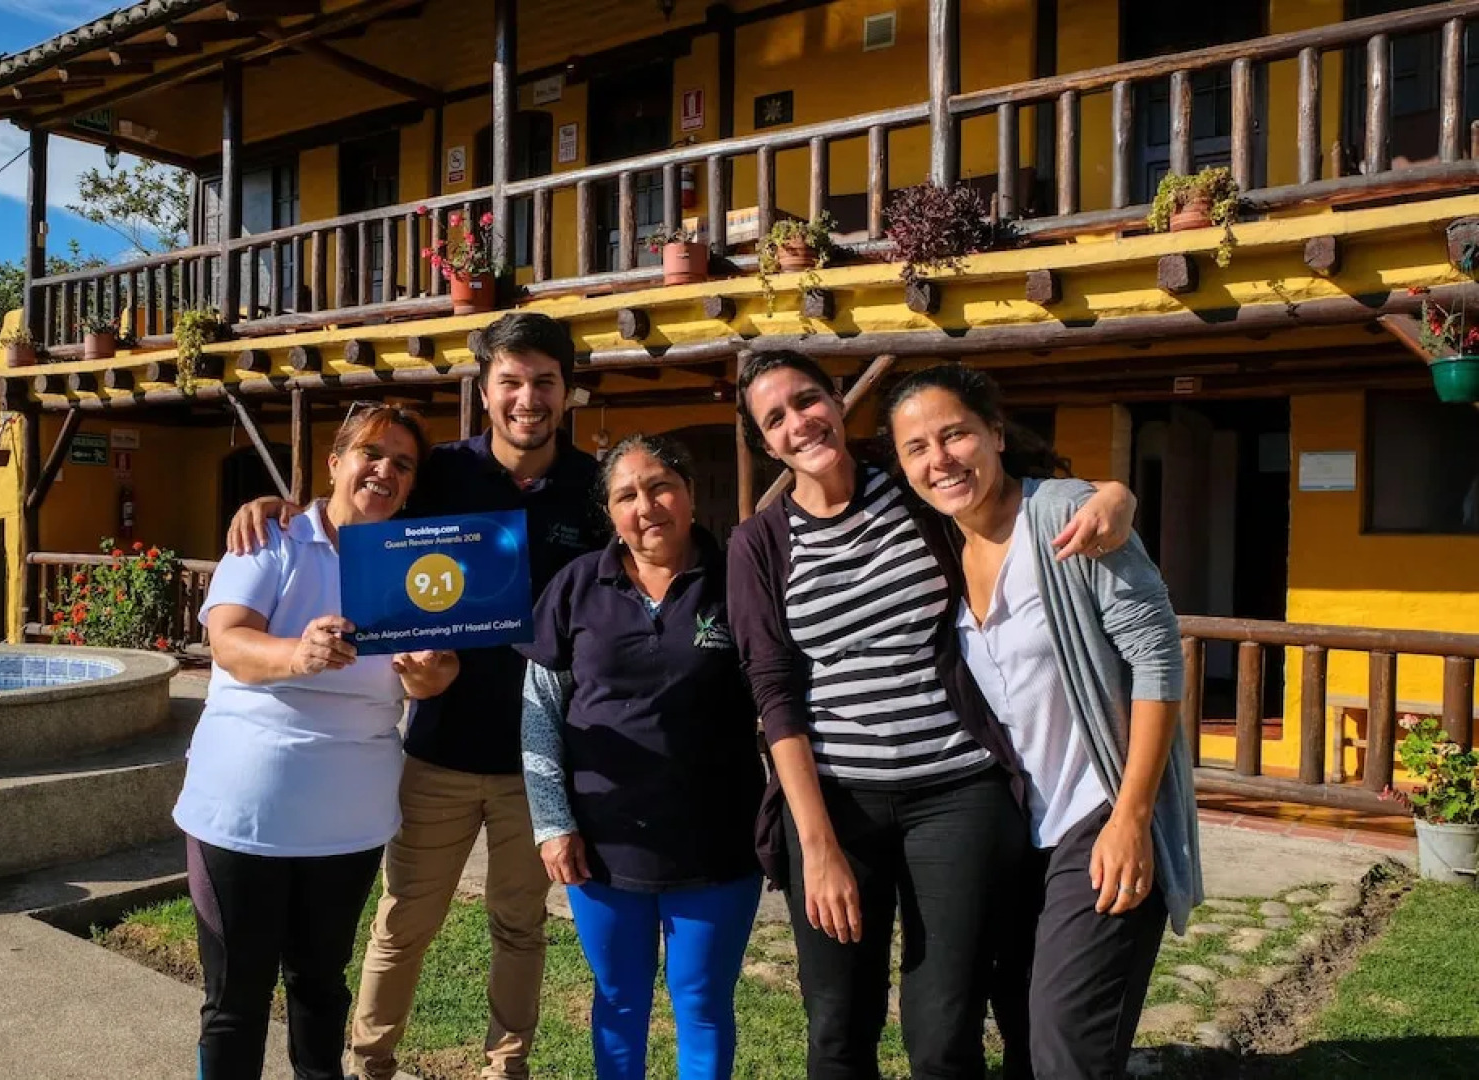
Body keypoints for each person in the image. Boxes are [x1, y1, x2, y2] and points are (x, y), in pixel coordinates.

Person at [726, 350, 1137, 1079]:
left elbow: (1014, 493)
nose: (799, 422)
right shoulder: (758, 543)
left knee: (944, 1029)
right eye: (775, 418)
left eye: (807, 399)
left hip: (956, 794)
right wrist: (815, 848)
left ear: (835, 402)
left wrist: (1110, 493)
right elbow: (773, 693)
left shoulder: (916, 495)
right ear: (765, 444)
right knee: (837, 1028)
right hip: (835, 807)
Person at [225, 311, 609, 1080]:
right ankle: (369, 1066)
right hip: (435, 746)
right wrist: (275, 506)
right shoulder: (443, 473)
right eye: (510, 382)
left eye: (543, 382)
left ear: (568, 393)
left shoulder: (594, 489)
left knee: (520, 928)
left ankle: (507, 1068)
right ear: (486, 390)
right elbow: (359, 499)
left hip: (538, 759)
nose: (526, 399)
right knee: (403, 925)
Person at [882, 364, 1201, 1080]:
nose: (939, 459)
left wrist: (1131, 817)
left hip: (1099, 813)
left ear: (994, 432)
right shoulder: (938, 549)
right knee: (1024, 1034)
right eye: (916, 448)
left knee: (1066, 1050)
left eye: (954, 433)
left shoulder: (1060, 518)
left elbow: (1157, 660)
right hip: (1016, 833)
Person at [175, 403, 459, 1080]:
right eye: (370, 452)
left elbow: (434, 670)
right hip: (244, 816)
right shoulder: (272, 539)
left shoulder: (414, 562)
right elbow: (228, 640)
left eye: (402, 462)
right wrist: (294, 653)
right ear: (335, 463)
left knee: (320, 984)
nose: (384, 469)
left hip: (348, 825)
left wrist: (430, 677)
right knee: (235, 1000)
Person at [518, 434, 764, 1080]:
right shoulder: (578, 584)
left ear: (686, 494)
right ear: (609, 513)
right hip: (602, 846)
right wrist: (552, 823)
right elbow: (540, 710)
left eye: (659, 486)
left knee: (703, 1004)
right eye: (626, 495)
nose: (646, 505)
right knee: (619, 1000)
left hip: (716, 847)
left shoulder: (738, 579)